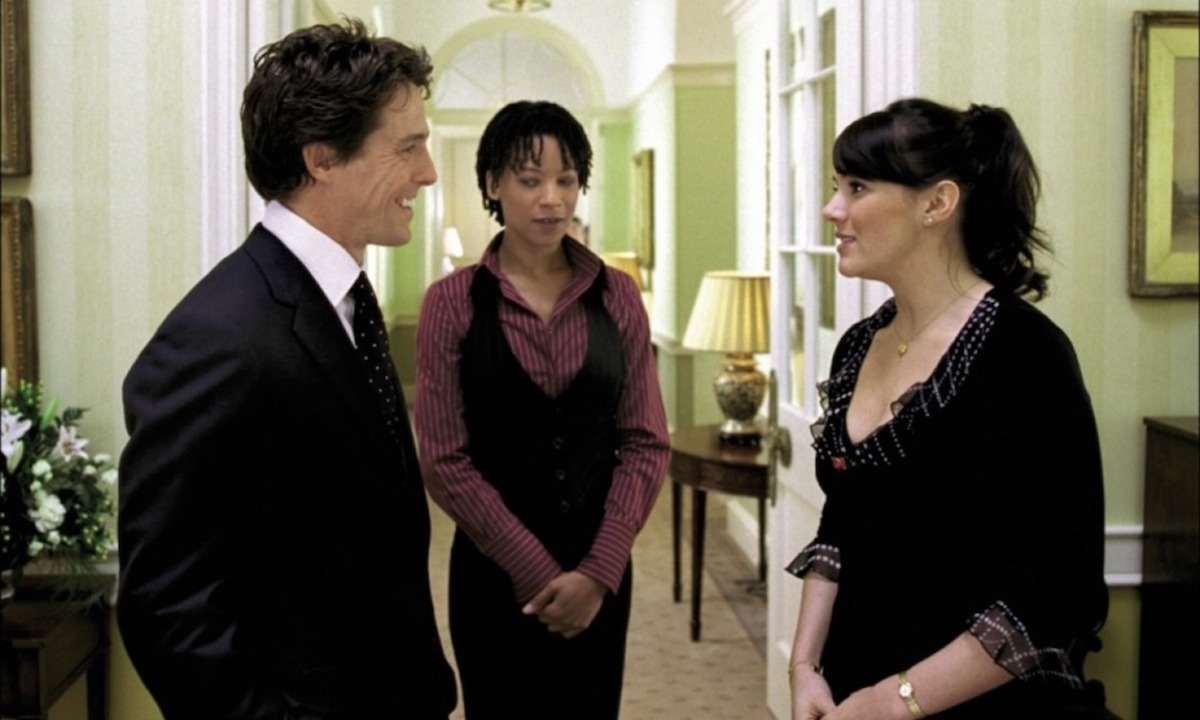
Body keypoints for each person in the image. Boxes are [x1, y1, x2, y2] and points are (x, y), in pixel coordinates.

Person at [117, 19, 457, 719]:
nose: (427, 172)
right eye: (408, 147)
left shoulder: (346, 299)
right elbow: (168, 610)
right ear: (322, 157)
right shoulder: (216, 338)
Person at [786, 98, 1107, 720]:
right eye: (836, 186)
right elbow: (842, 523)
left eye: (856, 188)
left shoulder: (1025, 355)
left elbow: (1055, 592)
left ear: (936, 203)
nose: (832, 209)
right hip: (854, 689)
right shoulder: (858, 345)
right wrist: (803, 667)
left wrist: (893, 702)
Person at [414, 100, 670, 719]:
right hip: (493, 577)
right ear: (492, 185)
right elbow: (444, 460)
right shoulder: (451, 302)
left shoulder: (618, 295)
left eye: (566, 179)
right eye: (530, 180)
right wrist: (532, 569)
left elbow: (645, 441)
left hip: (599, 575)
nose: (552, 199)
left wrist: (598, 571)